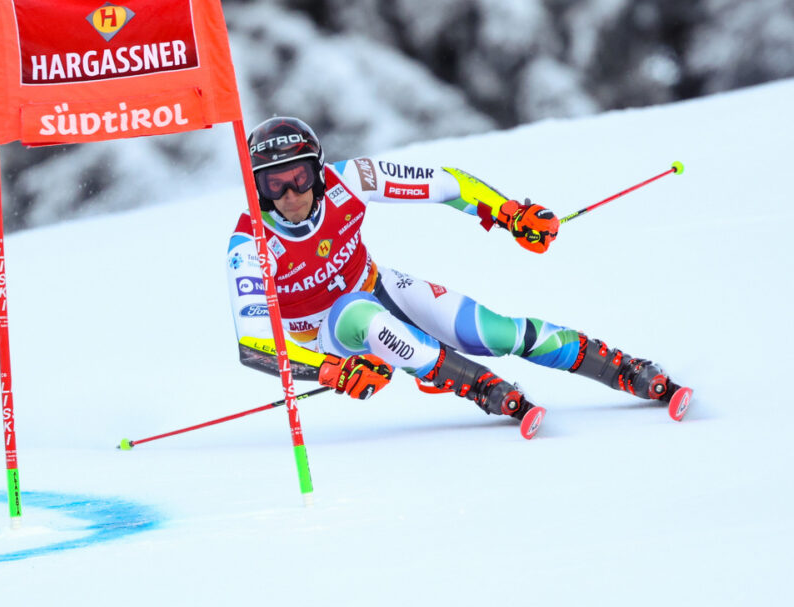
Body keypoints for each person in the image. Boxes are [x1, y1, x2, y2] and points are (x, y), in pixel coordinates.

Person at [226, 117, 692, 436]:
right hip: (328, 337)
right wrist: (331, 370)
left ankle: (627, 371)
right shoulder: (250, 244)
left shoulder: (353, 178)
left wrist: (507, 212)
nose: (290, 194)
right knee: (360, 314)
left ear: (319, 171)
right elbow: (254, 346)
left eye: (300, 178)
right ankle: (479, 385)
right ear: (258, 187)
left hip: (379, 285)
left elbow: (445, 183)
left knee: (492, 330)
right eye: (274, 183)